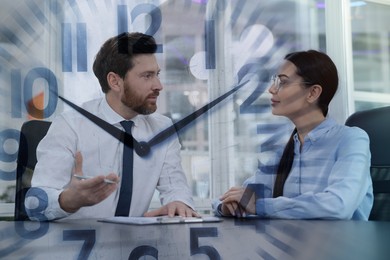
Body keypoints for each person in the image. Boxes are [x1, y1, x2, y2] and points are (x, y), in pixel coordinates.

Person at [26, 32, 198, 220]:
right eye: (147, 76)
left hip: (136, 246)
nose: (158, 85)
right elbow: (36, 205)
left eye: (157, 74)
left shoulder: (162, 128)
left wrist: (179, 203)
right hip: (75, 245)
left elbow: (175, 187)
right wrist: (69, 200)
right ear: (115, 81)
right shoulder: (70, 126)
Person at [212, 50, 373, 220]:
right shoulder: (285, 151)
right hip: (295, 244)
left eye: (282, 82)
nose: (272, 89)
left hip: (344, 244)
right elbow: (242, 195)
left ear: (312, 93)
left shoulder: (351, 140)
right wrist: (226, 206)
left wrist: (259, 206)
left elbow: (338, 205)